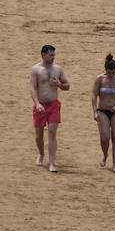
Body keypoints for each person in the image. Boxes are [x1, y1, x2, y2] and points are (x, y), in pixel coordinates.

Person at [29, 44, 70, 172]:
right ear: (43, 55)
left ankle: (52, 162)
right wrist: (37, 104)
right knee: (39, 135)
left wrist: (59, 84)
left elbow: (67, 86)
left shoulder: (58, 69)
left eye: (54, 55)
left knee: (52, 132)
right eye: (50, 55)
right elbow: (33, 88)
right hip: (40, 105)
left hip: (53, 105)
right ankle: (41, 153)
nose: (53, 57)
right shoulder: (35, 69)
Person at [91, 53, 115, 172]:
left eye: (113, 72)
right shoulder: (100, 79)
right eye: (109, 73)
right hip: (103, 110)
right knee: (105, 137)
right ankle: (105, 155)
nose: (111, 75)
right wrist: (95, 111)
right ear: (106, 70)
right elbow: (94, 95)